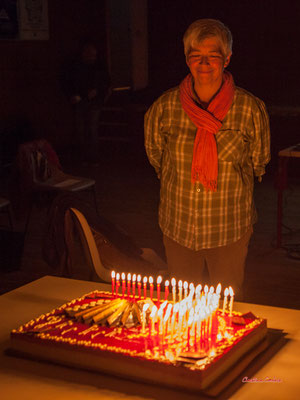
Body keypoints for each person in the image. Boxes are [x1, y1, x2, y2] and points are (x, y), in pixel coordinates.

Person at [144, 19, 270, 299]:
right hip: (178, 225)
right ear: (186, 59)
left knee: (225, 308)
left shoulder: (249, 109)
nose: (204, 63)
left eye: (213, 56)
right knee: (182, 305)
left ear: (227, 59)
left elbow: (258, 162)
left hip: (228, 227)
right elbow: (156, 158)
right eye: (196, 56)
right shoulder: (164, 107)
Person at [62, 41, 111, 164]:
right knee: (81, 129)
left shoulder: (99, 66)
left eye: (93, 55)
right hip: (80, 100)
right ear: (83, 53)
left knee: (91, 128)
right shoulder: (75, 66)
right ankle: (84, 155)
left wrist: (98, 92)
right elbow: (68, 83)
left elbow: (106, 82)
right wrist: (72, 96)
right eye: (89, 54)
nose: (91, 57)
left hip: (94, 102)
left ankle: (93, 156)